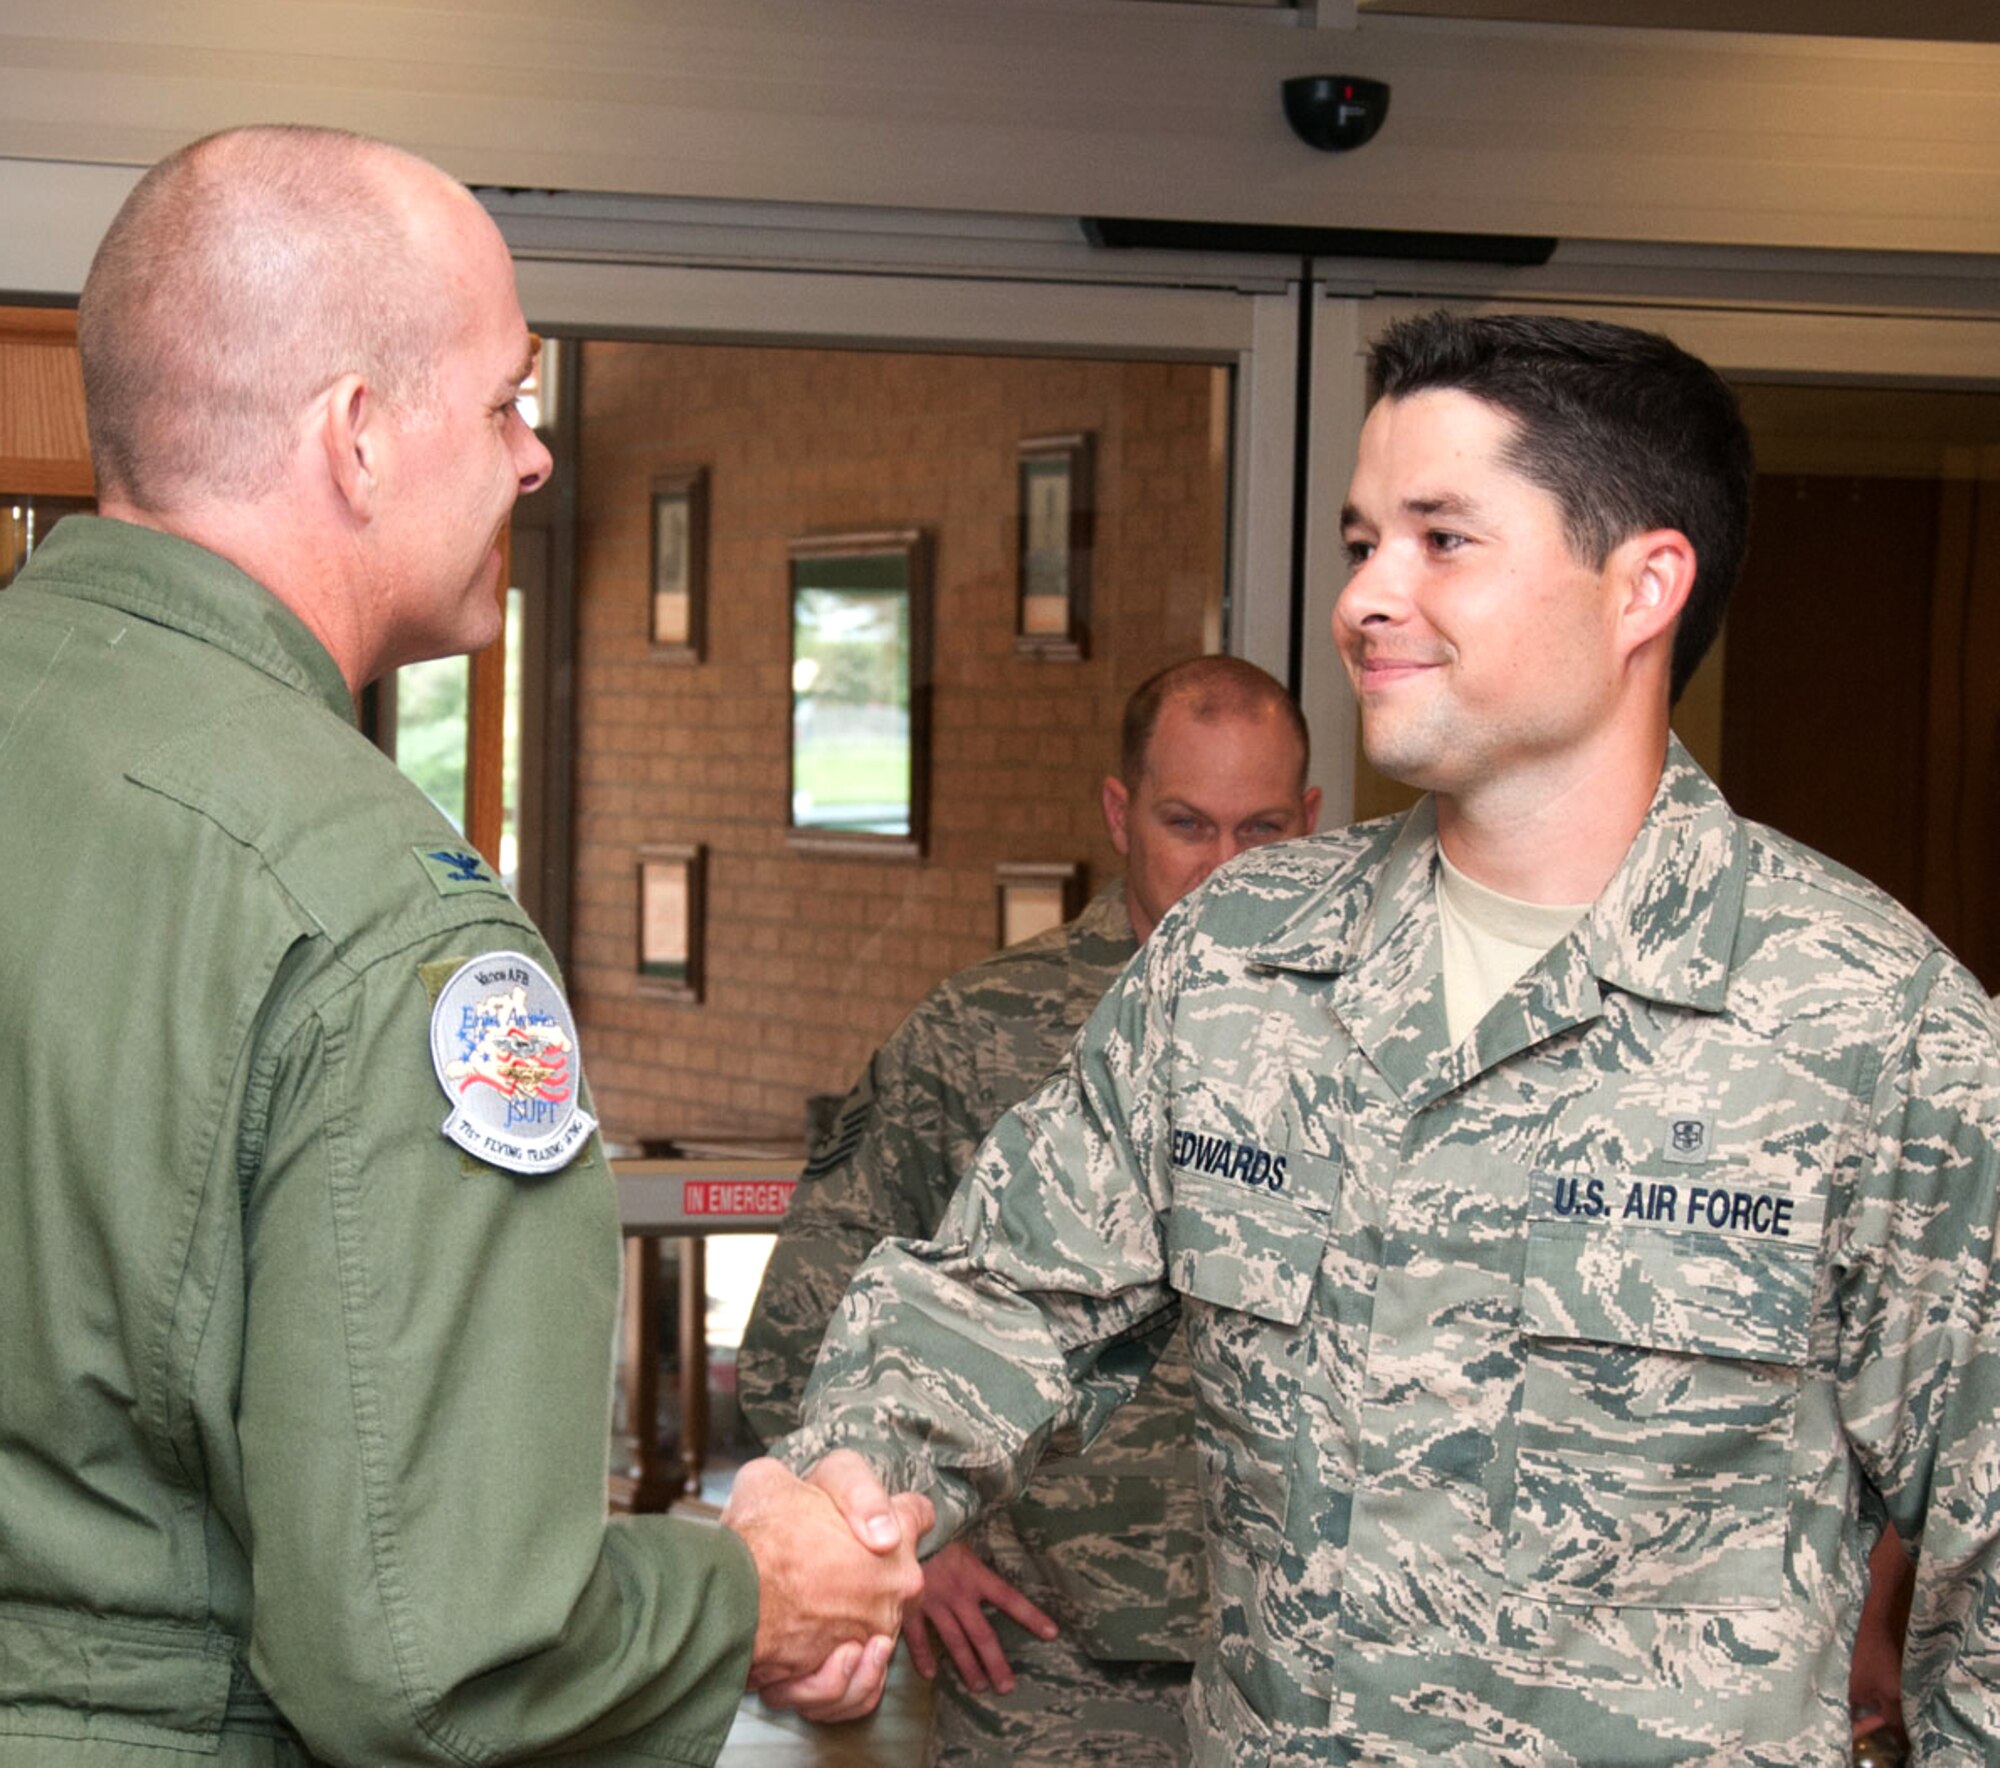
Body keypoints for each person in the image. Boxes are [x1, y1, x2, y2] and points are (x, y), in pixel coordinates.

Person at [776, 311, 2000, 1761]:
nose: (1367, 597)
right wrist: (838, 1500)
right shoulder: (1238, 959)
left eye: (1442, 539)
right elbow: (995, 1298)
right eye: (1364, 543)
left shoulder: (1872, 1024)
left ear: (1642, 586)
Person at [0, 124, 927, 1768]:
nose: (534, 460)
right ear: (355, 437)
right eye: (508, 401)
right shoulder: (371, 909)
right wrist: (754, 1591)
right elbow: (436, 1660)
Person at [739, 656, 1321, 1766]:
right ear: (1120, 813)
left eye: (1260, 832)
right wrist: (904, 1546)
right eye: (1186, 824)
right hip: (1052, 1669)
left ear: (1309, 821)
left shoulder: (1362, 1041)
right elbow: (799, 1326)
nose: (1222, 869)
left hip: (1298, 1671)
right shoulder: (979, 1033)